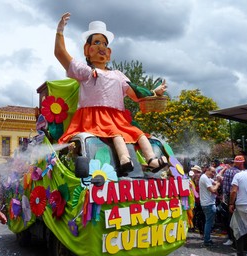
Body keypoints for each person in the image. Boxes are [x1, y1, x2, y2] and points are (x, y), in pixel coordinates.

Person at [54, 12, 168, 174]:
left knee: (139, 134)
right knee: (116, 134)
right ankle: (124, 160)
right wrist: (60, 31)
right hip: (94, 119)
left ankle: (152, 161)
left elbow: (136, 93)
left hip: (118, 119)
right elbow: (60, 54)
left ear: (109, 52)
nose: (101, 47)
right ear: (87, 49)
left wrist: (153, 92)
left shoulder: (119, 76)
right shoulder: (86, 72)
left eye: (104, 44)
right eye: (97, 42)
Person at [221, 155, 244, 246]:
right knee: (238, 220)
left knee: (230, 219)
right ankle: (237, 240)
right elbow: (235, 189)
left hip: (228, 197)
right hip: (237, 198)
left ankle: (231, 238)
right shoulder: (239, 173)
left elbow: (225, 187)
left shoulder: (228, 171)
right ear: (241, 163)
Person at [199, 166, 222, 246]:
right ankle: (207, 240)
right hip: (208, 204)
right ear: (207, 170)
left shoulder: (207, 178)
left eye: (214, 172)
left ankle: (207, 239)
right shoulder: (204, 178)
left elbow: (214, 182)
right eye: (212, 172)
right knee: (209, 223)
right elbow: (213, 189)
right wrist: (218, 184)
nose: (213, 174)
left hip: (207, 203)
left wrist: (219, 179)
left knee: (208, 222)